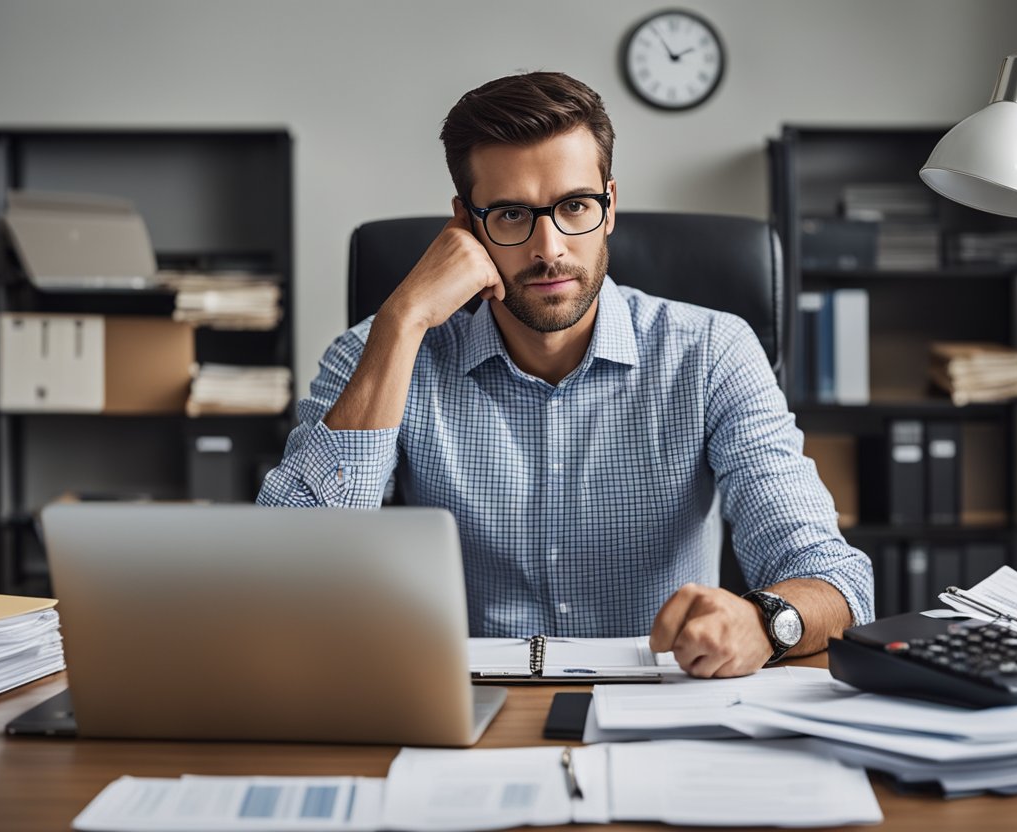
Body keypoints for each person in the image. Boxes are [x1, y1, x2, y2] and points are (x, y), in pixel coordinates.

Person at [258, 71, 873, 678]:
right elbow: (284, 581)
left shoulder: (712, 352)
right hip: (457, 709)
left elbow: (840, 581)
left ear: (609, 207)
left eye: (574, 206)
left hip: (660, 705)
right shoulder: (380, 351)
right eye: (509, 215)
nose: (548, 248)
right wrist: (402, 319)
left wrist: (766, 621)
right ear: (465, 223)